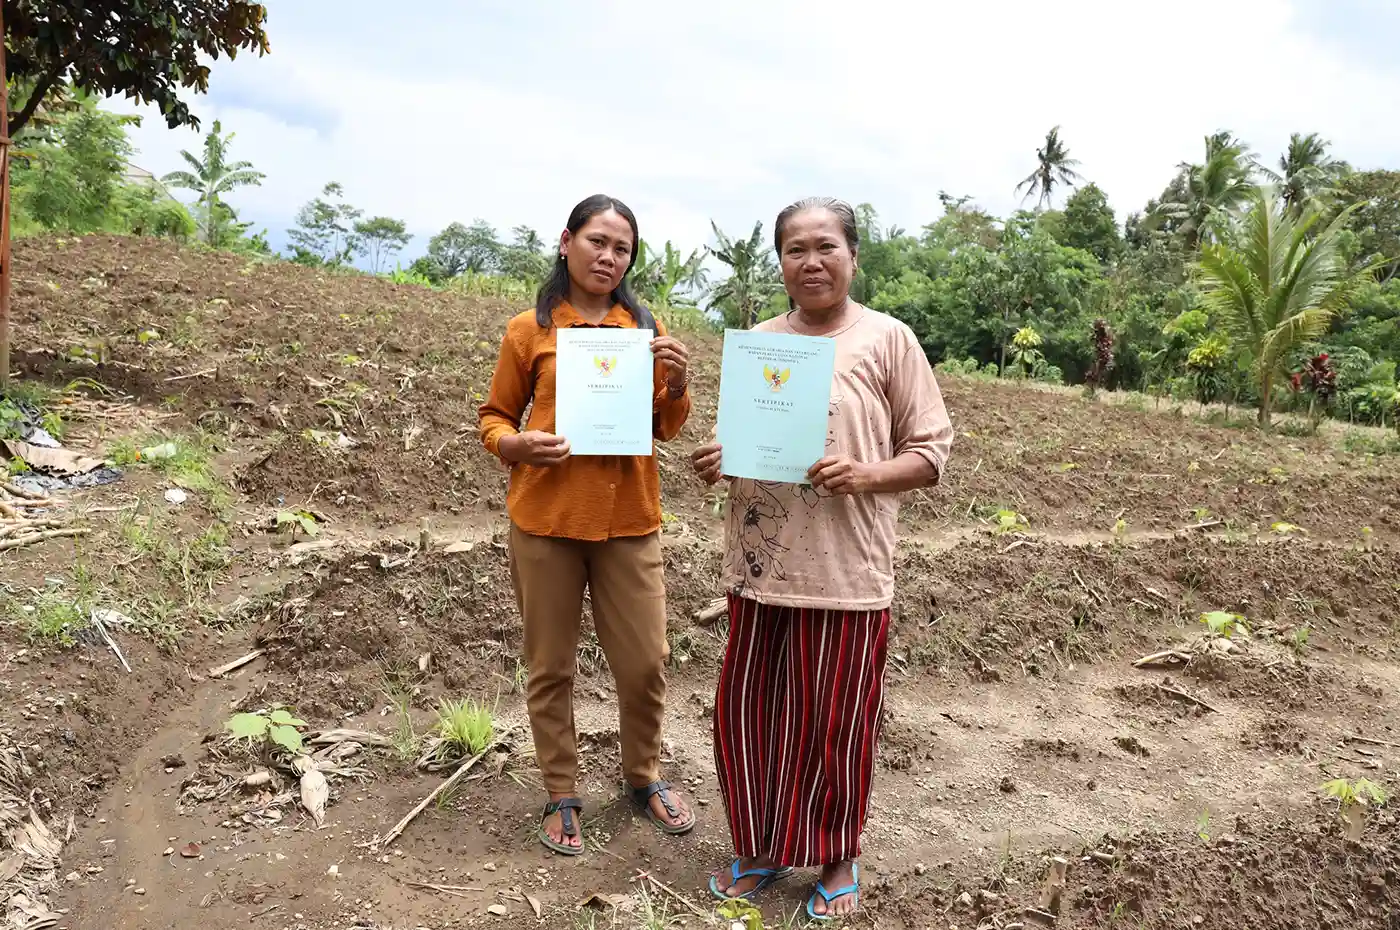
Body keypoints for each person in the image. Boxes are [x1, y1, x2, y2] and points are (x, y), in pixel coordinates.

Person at [691, 197, 952, 920]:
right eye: (795, 249)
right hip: (761, 566)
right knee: (749, 715)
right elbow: (737, 437)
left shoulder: (888, 340)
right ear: (779, 262)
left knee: (834, 722)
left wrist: (865, 474)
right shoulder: (761, 343)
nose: (811, 261)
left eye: (825, 246)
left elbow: (931, 453)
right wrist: (717, 458)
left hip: (847, 572)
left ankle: (838, 856)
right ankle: (761, 846)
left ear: (852, 255)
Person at [479, 194, 696, 856]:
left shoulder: (645, 330)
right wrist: (518, 446)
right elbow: (493, 418)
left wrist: (678, 385)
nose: (608, 256)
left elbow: (664, 428)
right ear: (567, 242)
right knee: (550, 665)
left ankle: (643, 776)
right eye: (598, 241)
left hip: (629, 522)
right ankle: (561, 790)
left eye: (622, 248)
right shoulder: (529, 331)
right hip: (547, 521)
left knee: (645, 663)